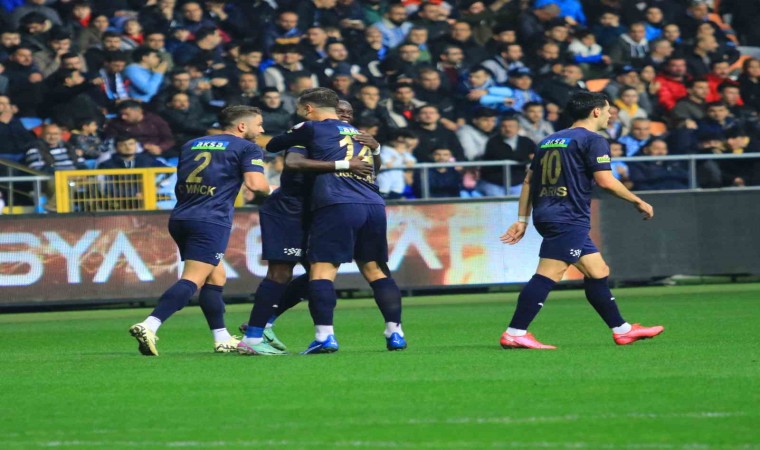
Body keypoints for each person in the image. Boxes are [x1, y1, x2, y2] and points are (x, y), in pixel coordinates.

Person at [499, 91, 663, 349]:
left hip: (548, 213)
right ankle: (515, 332)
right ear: (596, 111)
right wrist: (637, 200)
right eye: (608, 110)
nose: (610, 115)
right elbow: (605, 181)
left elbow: (529, 181)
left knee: (598, 271)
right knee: (549, 273)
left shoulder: (549, 140)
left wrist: (522, 219)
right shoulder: (593, 140)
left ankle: (622, 330)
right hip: (568, 216)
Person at [266, 87, 407, 354]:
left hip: (336, 203)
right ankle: (395, 332)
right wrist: (376, 149)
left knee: (321, 272)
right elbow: (373, 170)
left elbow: (277, 149)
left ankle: (324, 336)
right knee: (375, 270)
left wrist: (299, 133)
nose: (345, 115)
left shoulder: (312, 129)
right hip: (373, 204)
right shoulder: (360, 136)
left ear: (310, 108)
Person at [238, 99, 379, 355]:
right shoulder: (306, 135)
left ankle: (268, 324)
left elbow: (370, 171)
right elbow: (290, 160)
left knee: (318, 273)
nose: (344, 117)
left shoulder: (349, 142)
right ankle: (253, 336)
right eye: (340, 112)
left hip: (319, 212)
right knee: (280, 272)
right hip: (289, 210)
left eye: (348, 113)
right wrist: (345, 165)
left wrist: (376, 149)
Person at [128, 106, 272, 356]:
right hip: (211, 220)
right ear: (242, 126)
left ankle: (222, 337)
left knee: (216, 277)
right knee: (193, 279)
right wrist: (275, 191)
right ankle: (150, 324)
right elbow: (255, 185)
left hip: (181, 216)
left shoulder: (191, 144)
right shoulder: (247, 148)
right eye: (258, 124)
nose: (261, 130)